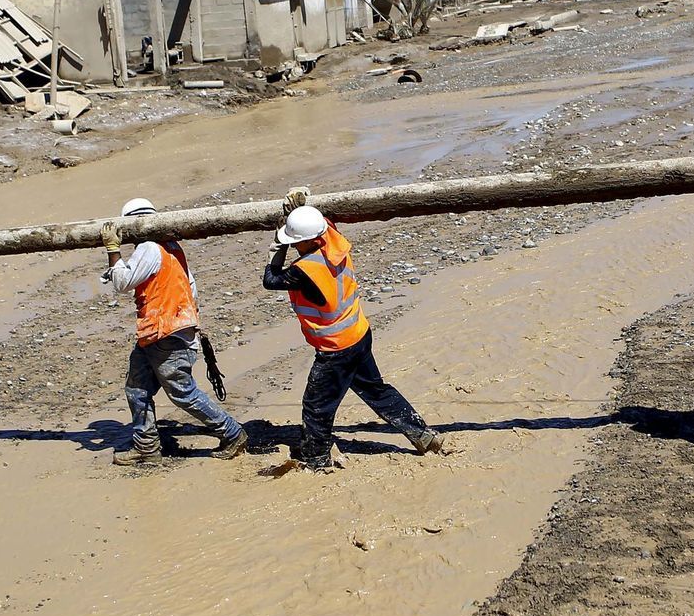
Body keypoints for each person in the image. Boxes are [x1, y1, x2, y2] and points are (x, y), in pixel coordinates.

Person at [264, 189, 443, 471]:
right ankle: (423, 436)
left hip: (336, 348)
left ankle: (316, 459)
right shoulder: (335, 242)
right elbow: (323, 222)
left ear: (305, 241)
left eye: (295, 242)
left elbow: (270, 279)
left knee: (316, 405)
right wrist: (299, 211)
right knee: (378, 391)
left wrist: (278, 243)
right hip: (358, 333)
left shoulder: (305, 270)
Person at [101, 198, 249, 464]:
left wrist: (112, 249)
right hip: (163, 331)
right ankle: (146, 446)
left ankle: (231, 432)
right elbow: (189, 287)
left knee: (182, 392)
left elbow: (123, 283)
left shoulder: (148, 248)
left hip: (165, 331)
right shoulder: (171, 247)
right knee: (137, 389)